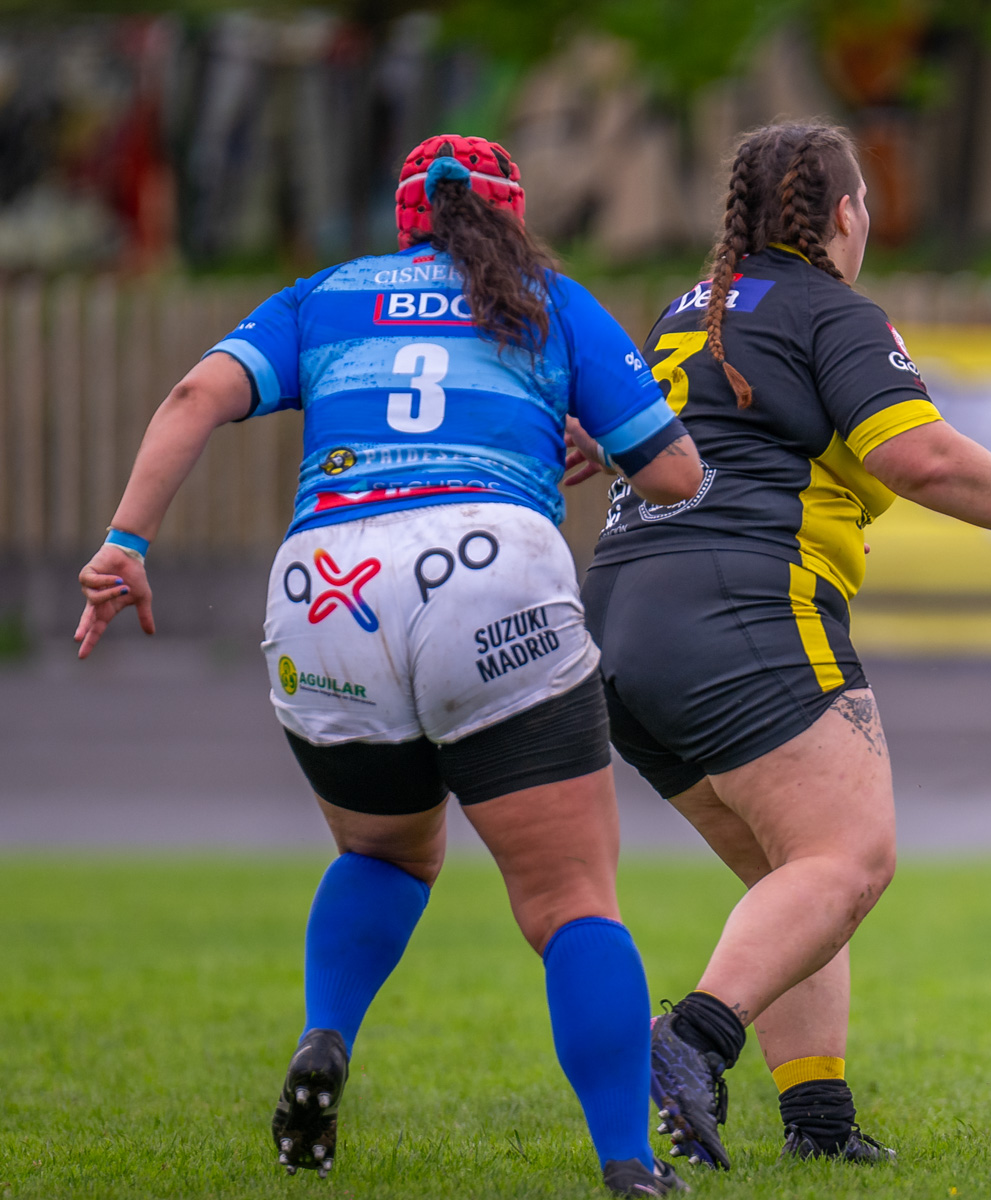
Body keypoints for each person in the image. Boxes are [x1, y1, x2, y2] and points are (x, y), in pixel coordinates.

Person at [74, 134, 704, 1196]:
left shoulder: (323, 297)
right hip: (491, 566)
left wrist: (125, 544)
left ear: (405, 215)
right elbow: (677, 472)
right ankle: (630, 1166)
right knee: (571, 899)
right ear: (510, 214)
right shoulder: (548, 300)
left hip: (326, 586)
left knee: (386, 852)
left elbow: (192, 399)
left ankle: (326, 1036)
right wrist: (597, 446)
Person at [577, 121, 991, 1170]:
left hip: (621, 618)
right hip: (739, 604)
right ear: (842, 212)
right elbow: (922, 458)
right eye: (864, 198)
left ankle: (819, 1124)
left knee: (796, 880)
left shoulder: (690, 309)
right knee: (849, 858)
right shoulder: (831, 309)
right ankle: (689, 1042)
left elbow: (631, 437)